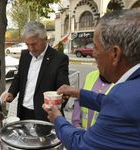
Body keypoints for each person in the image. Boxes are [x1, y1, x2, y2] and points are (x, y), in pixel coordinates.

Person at [43, 9, 140, 149]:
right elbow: (106, 101)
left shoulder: (122, 98)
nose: (93, 54)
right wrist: (78, 93)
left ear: (115, 54)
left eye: (96, 47)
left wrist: (58, 119)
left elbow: (81, 144)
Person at [2, 21, 69, 121]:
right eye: (27, 44)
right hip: (23, 112)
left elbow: (63, 90)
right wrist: (11, 93)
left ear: (45, 38)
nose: (31, 49)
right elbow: (19, 78)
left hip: (45, 115)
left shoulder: (59, 59)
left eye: (34, 44)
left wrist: (56, 108)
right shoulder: (25, 55)